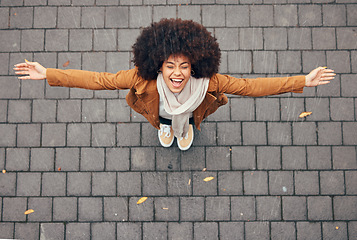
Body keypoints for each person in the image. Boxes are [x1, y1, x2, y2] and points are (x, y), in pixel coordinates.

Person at [13, 18, 335, 151]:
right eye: (170, 66)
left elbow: (251, 87)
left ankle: (182, 131)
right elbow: (99, 80)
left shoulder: (209, 82)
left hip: (191, 115)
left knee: (185, 127)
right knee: (166, 124)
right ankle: (168, 130)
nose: (178, 74)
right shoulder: (143, 78)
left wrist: (302, 81)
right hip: (161, 114)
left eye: (184, 66)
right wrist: (49, 73)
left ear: (195, 63)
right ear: (159, 65)